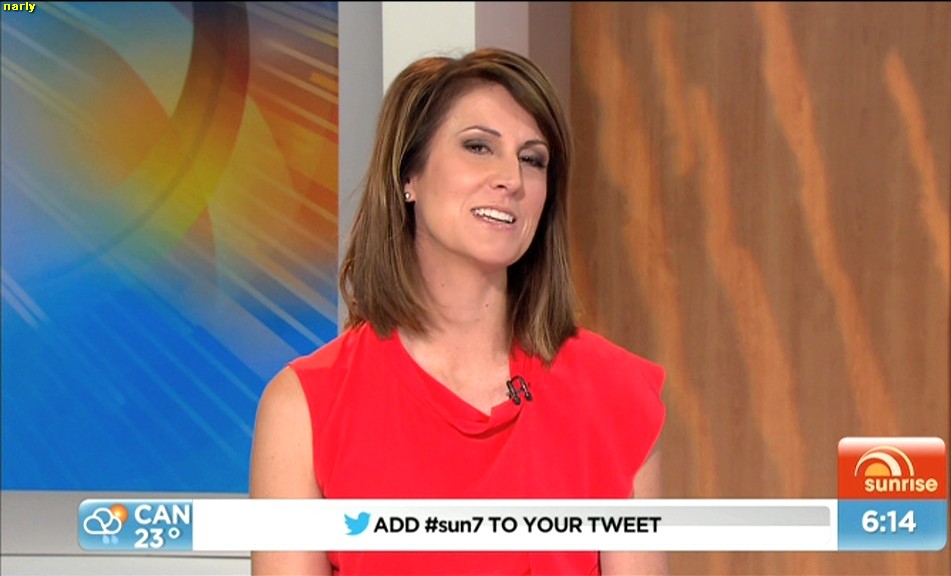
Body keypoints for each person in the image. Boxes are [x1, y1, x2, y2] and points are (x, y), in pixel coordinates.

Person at [249, 47, 667, 576]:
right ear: (409, 176)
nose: (511, 179)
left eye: (533, 159)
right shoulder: (305, 408)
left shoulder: (615, 394)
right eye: (478, 147)